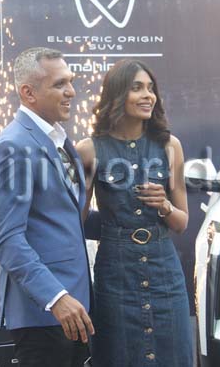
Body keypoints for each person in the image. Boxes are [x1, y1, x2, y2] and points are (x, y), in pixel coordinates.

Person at [76, 59, 193, 367]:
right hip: (115, 273)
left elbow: (182, 223)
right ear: (117, 95)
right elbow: (76, 220)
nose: (147, 96)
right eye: (137, 88)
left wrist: (165, 206)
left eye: (151, 89)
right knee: (118, 356)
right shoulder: (89, 150)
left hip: (165, 273)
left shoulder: (170, 146)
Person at [0, 47, 94, 367]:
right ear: (28, 93)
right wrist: (55, 298)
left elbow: (63, 217)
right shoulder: (12, 147)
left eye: (70, 81)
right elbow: (7, 240)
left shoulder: (59, 139)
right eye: (59, 84)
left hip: (74, 310)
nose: (71, 91)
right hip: (44, 315)